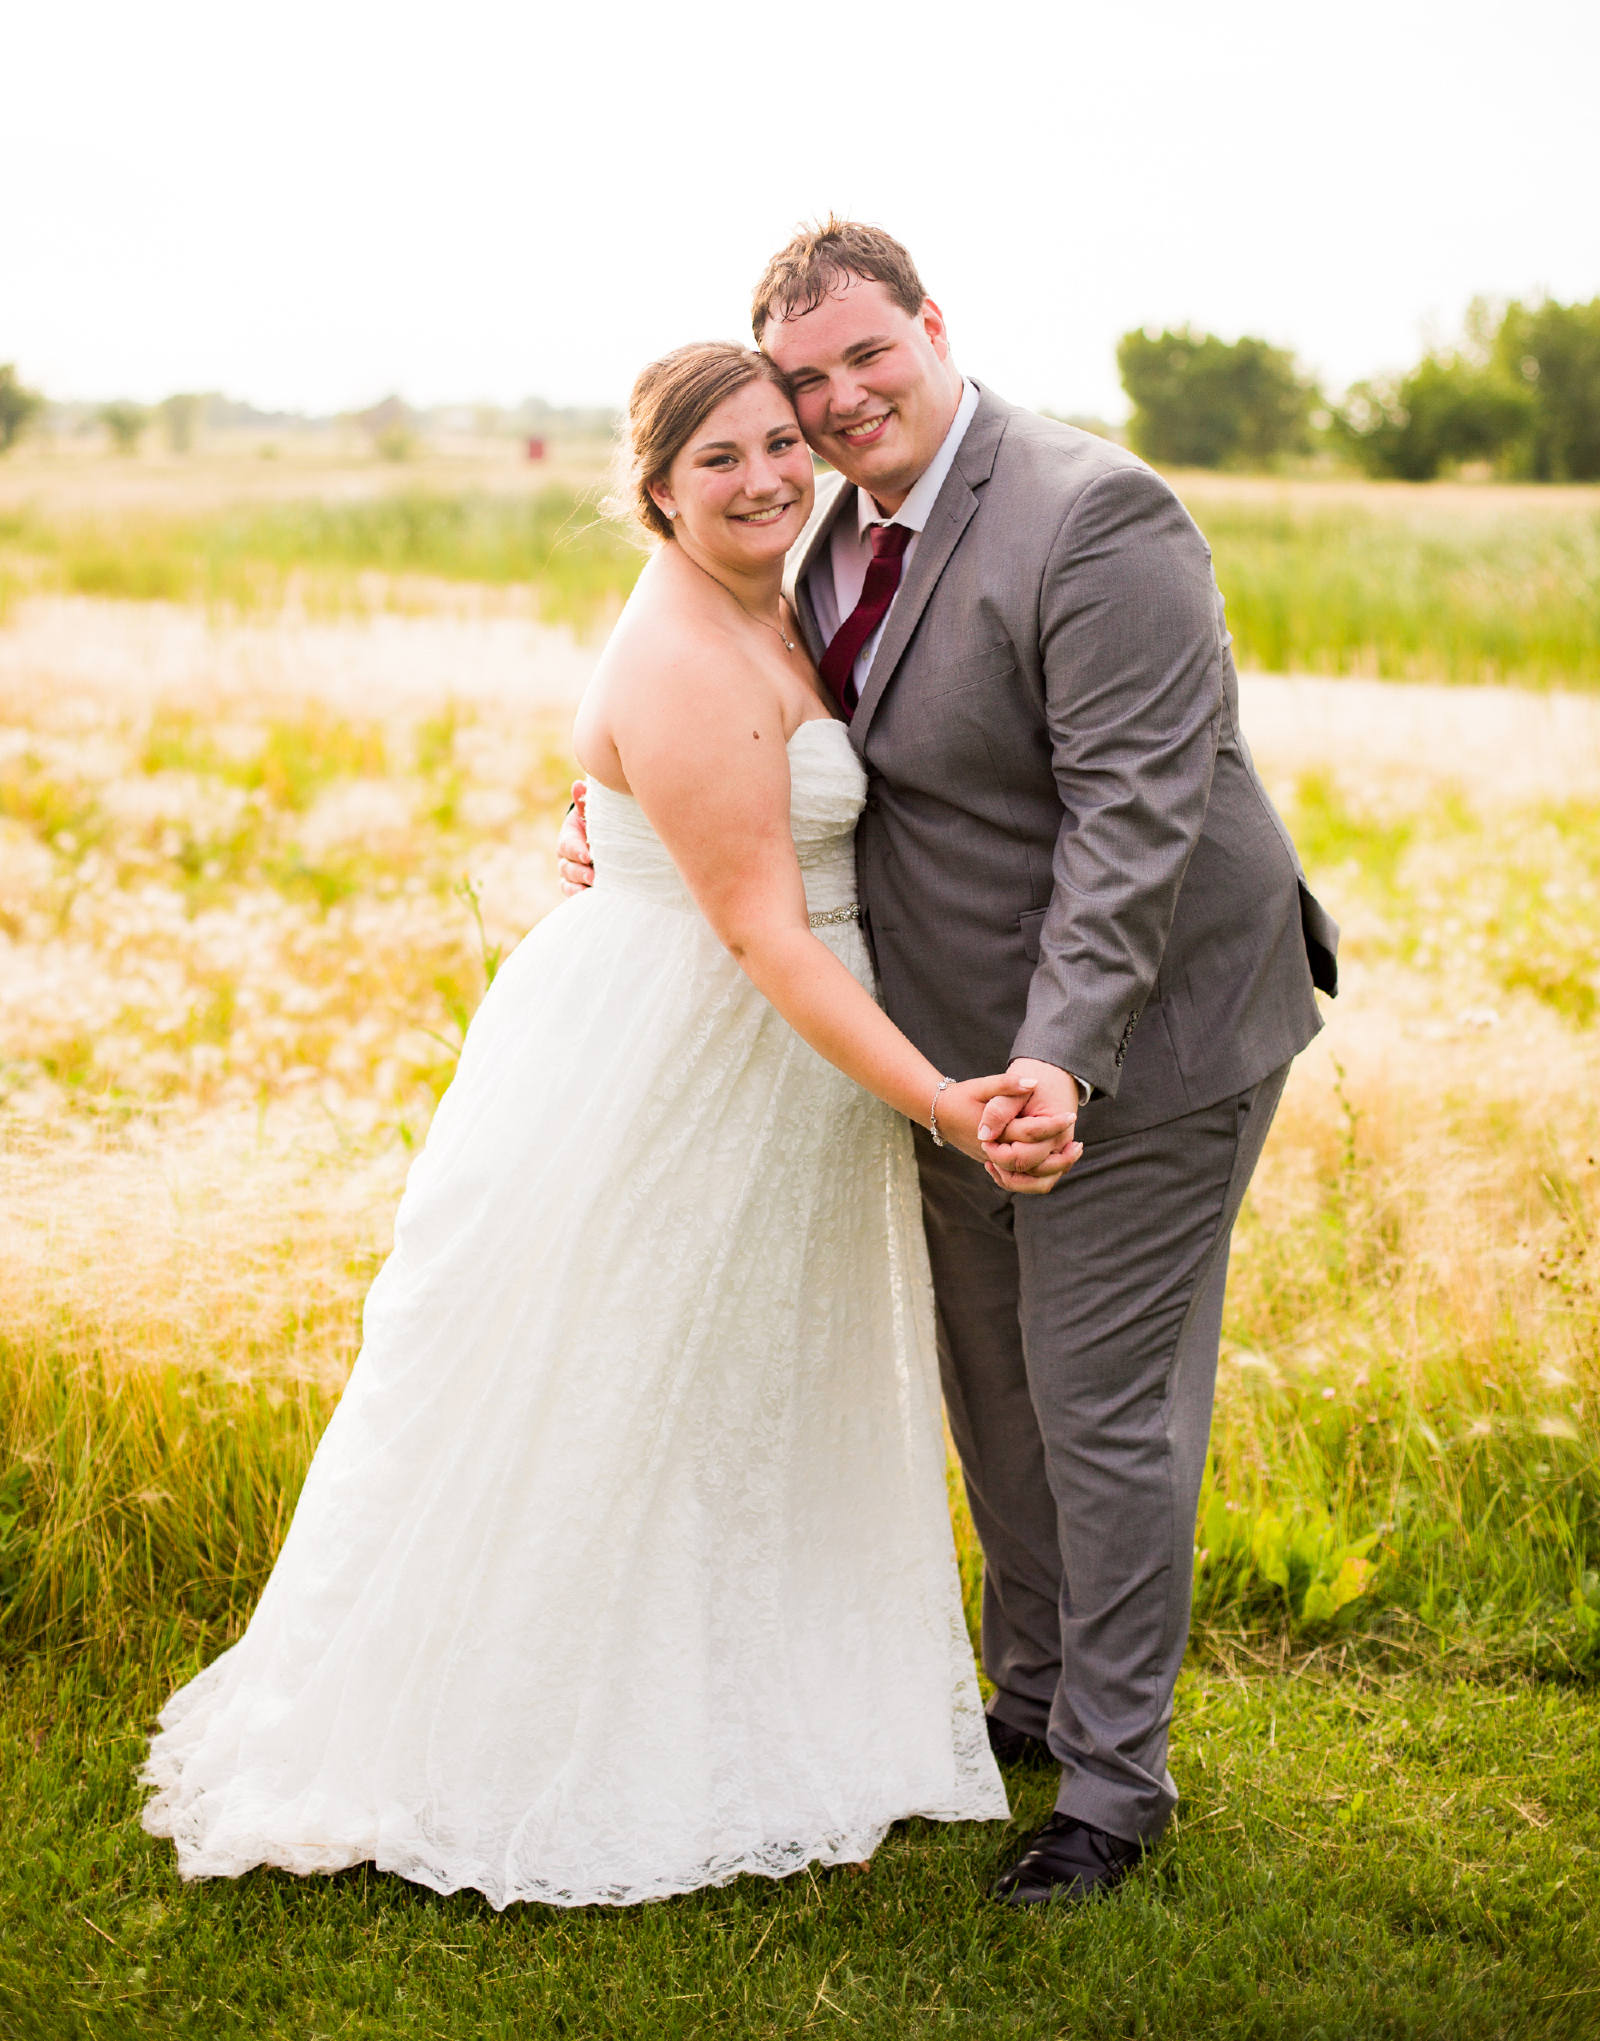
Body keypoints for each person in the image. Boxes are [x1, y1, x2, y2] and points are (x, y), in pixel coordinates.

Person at [141, 340, 1068, 1909]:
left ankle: (764, 1703)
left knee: (742, 1387)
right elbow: (767, 934)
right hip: (692, 1055)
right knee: (621, 1384)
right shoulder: (692, 653)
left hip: (767, 1062)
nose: (770, 474)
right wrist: (943, 1101)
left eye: (784, 441)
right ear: (654, 491)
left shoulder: (781, 590)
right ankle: (540, 1743)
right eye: (722, 459)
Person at [561, 222, 1339, 1908]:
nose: (838, 404)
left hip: (1142, 1040)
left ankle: (1118, 1790)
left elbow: (1137, 821)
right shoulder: (830, 524)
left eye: (866, 359)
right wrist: (621, 824)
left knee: (1101, 1405)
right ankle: (1037, 1696)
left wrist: (1058, 1061)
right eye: (805, 383)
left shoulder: (1093, 512)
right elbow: (768, 734)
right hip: (942, 1052)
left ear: (933, 325)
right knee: (998, 1397)